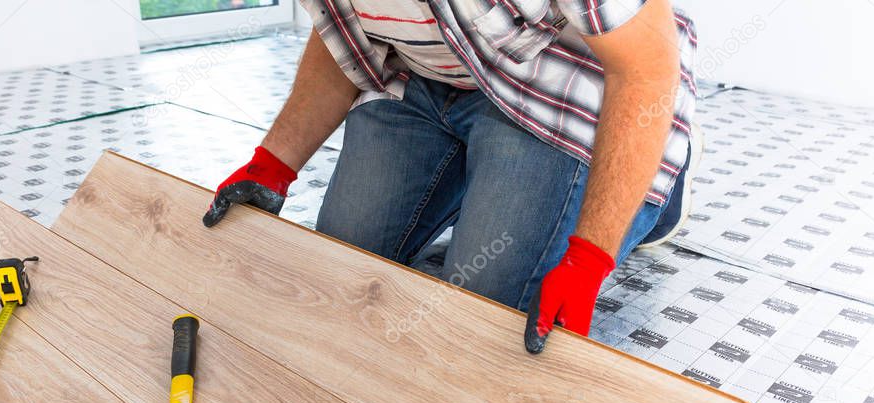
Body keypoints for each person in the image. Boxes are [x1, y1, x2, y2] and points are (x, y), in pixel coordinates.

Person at [203, 0, 698, 354]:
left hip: (564, 83)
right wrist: (273, 163)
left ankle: (657, 194)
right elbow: (345, 30)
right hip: (427, 77)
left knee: (487, 314)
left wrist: (590, 255)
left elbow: (647, 69)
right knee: (341, 265)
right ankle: (481, 169)